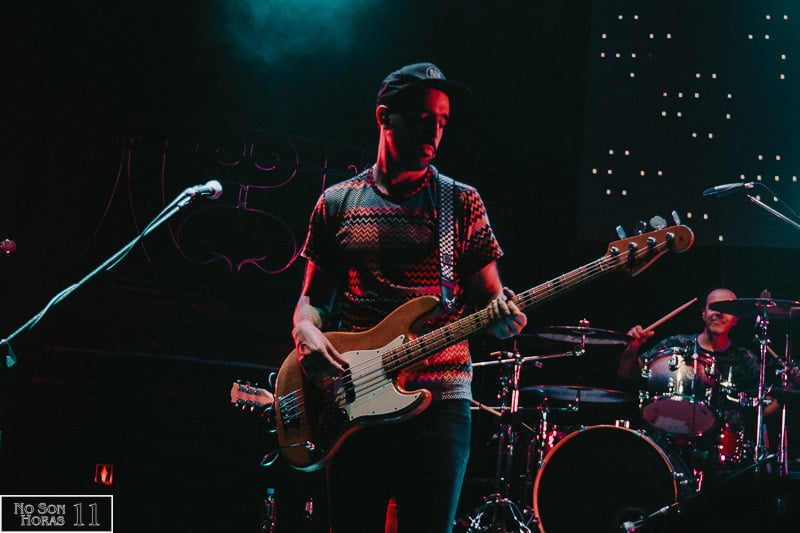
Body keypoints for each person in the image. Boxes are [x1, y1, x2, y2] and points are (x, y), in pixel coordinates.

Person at [289, 62, 527, 533]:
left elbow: (490, 300)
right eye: (422, 118)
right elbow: (311, 300)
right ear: (384, 117)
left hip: (441, 403)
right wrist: (304, 329)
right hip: (354, 399)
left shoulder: (461, 202)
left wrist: (503, 318)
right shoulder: (337, 202)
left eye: (442, 122)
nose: (434, 132)